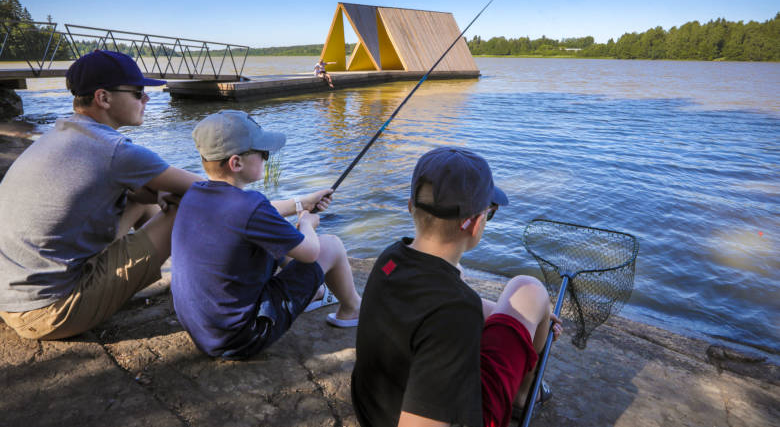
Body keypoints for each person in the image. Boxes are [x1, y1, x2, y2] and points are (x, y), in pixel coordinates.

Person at [351, 147, 563, 427]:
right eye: (490, 212)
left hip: (375, 409)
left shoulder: (390, 260)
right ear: (476, 224)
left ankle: (524, 367)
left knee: (457, 274)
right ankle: (522, 397)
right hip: (464, 416)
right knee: (529, 289)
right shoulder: (455, 313)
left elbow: (442, 304)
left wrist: (504, 314)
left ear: (410, 206)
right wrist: (525, 318)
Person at [0, 50, 202, 340]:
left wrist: (154, 191)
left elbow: (134, 190)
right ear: (103, 98)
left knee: (139, 196)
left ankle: (181, 274)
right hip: (49, 311)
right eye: (137, 92)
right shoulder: (116, 151)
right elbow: (213, 190)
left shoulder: (63, 132)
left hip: (13, 296)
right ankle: (204, 282)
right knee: (185, 204)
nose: (146, 99)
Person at [170, 110, 361, 360]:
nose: (266, 158)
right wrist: (306, 223)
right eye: (263, 153)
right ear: (236, 163)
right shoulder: (250, 207)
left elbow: (262, 212)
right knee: (331, 246)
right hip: (242, 338)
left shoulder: (197, 192)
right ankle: (353, 309)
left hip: (205, 331)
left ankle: (312, 293)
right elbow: (311, 252)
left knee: (270, 239)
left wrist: (301, 202)